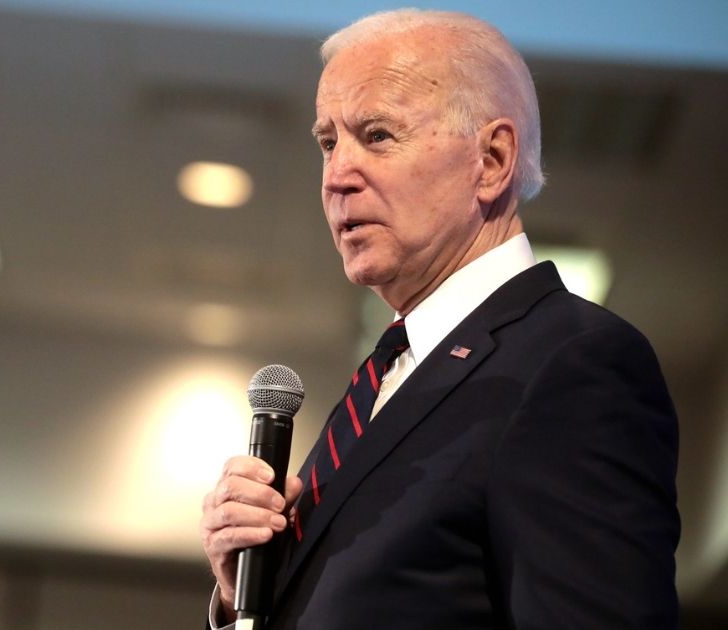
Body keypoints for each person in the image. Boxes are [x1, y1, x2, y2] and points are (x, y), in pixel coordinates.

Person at [200, 9, 680, 629]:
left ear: (492, 159)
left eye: (376, 135)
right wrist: (245, 600)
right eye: (328, 141)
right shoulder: (392, 374)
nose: (337, 175)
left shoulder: (573, 363)